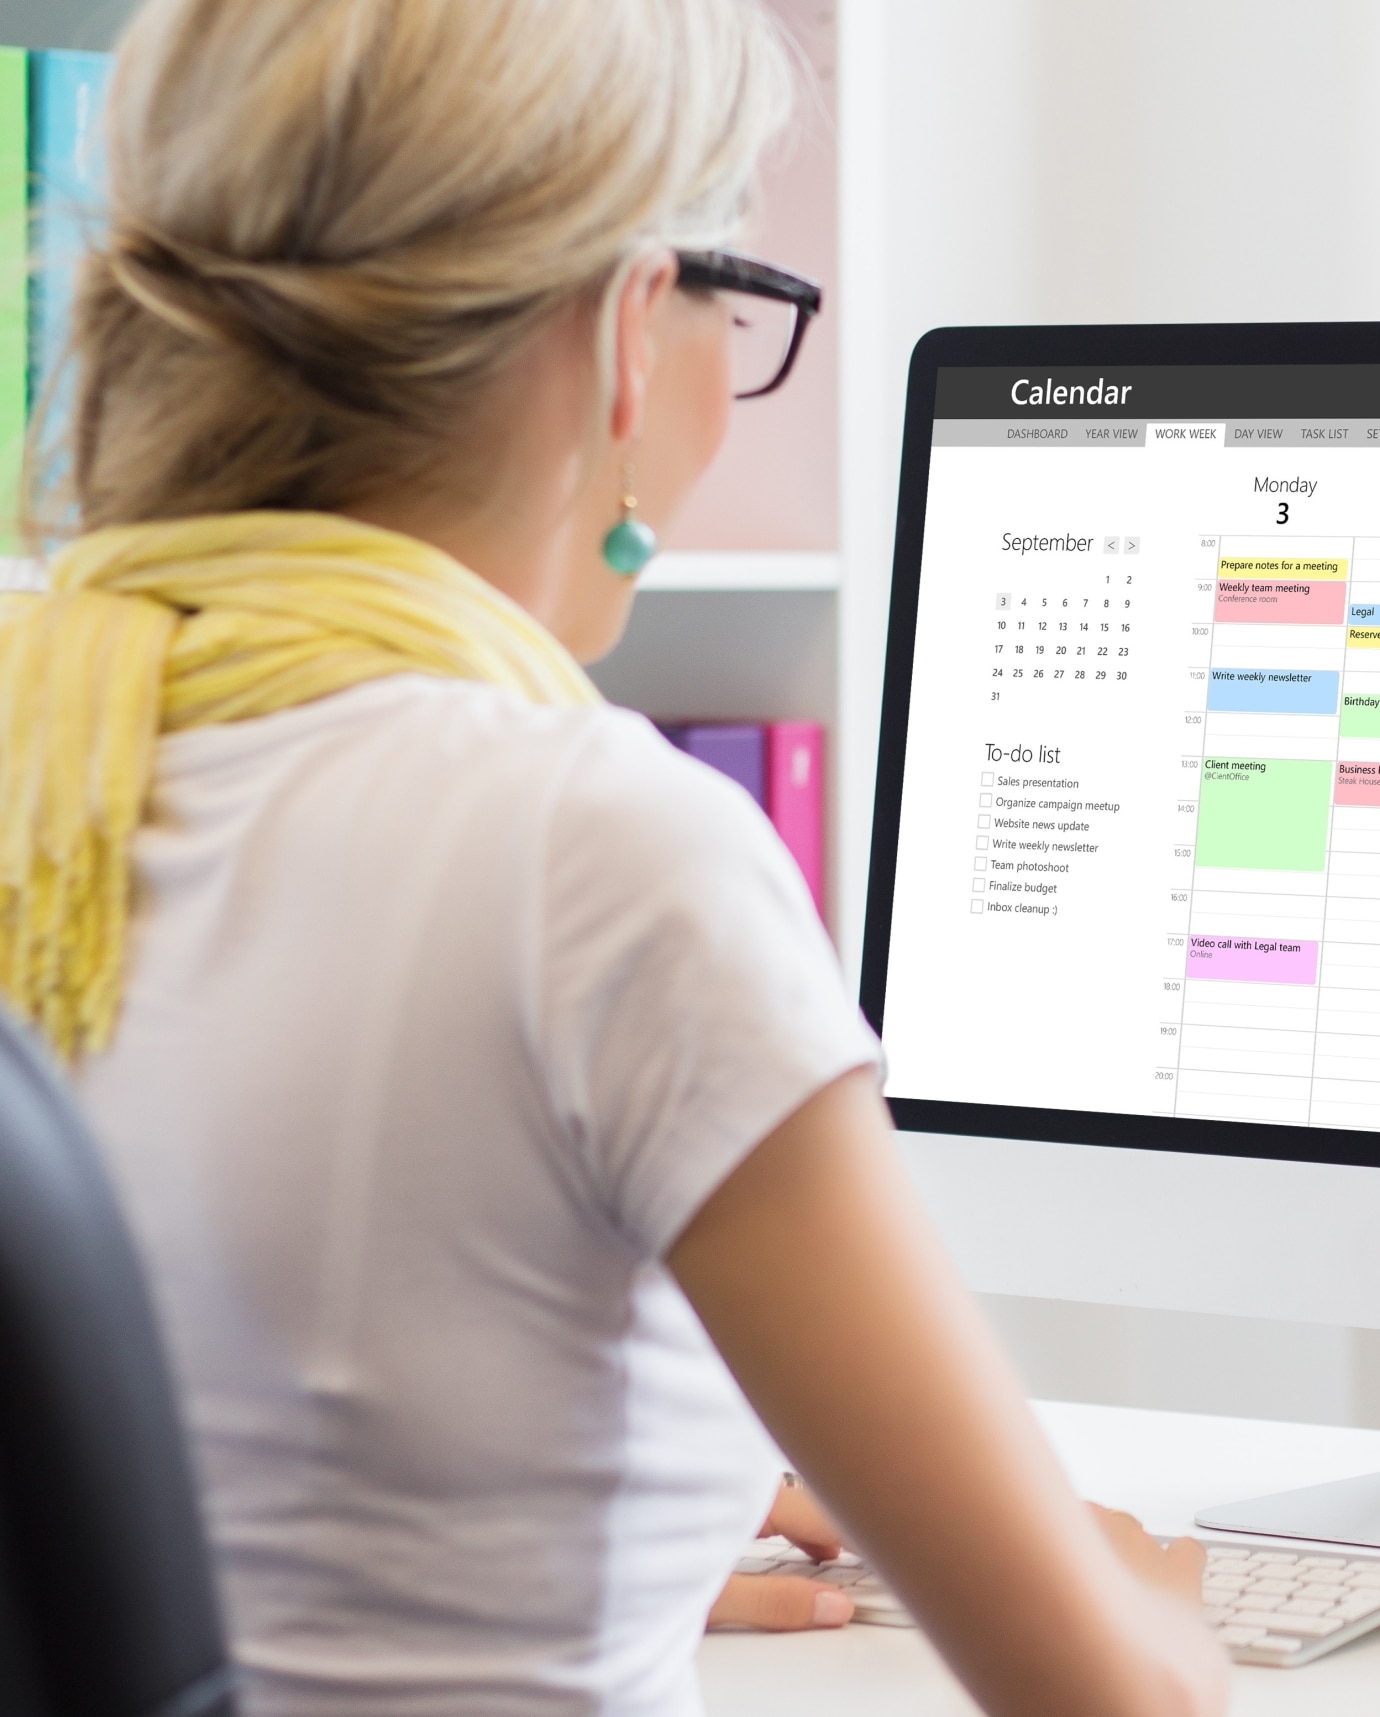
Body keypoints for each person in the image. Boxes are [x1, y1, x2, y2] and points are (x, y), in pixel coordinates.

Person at [0, 2, 1226, 1714]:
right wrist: (1155, 1599)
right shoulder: (599, 850)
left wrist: (622, 1519)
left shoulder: (45, 755)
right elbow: (1114, 1697)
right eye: (742, 299)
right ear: (634, 330)